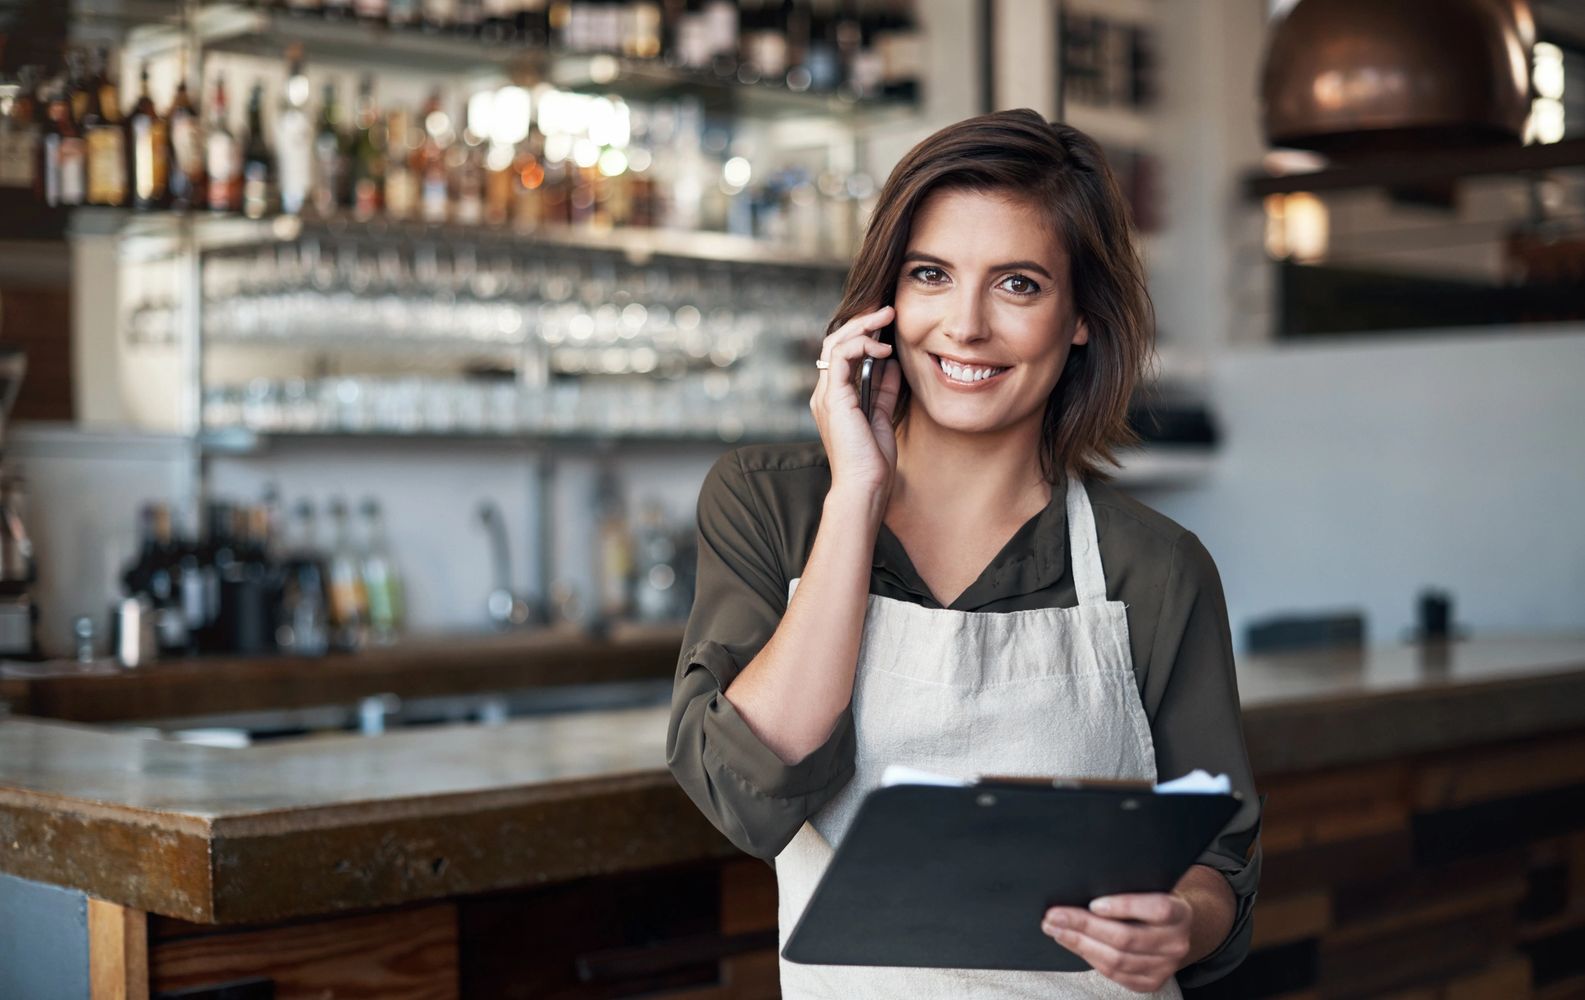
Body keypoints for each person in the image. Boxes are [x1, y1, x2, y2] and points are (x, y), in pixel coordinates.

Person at [667, 109, 1262, 998]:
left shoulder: (1157, 568)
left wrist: (1184, 921)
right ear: (886, 299)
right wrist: (857, 495)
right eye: (931, 275)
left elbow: (1220, 860)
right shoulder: (772, 505)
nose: (966, 326)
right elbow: (751, 794)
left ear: (1079, 320)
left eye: (1017, 284)